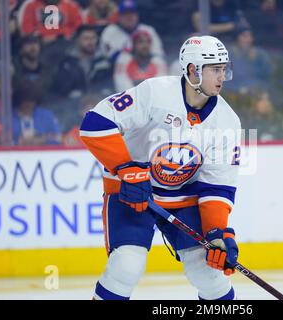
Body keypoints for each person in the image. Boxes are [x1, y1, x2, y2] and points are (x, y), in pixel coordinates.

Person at [80, 35, 241, 300]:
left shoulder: (227, 121)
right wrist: (126, 168)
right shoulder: (154, 93)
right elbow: (95, 122)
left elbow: (218, 186)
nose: (221, 76)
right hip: (132, 194)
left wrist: (217, 233)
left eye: (224, 69)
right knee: (126, 265)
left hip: (183, 198)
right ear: (192, 70)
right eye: (215, 69)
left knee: (209, 274)